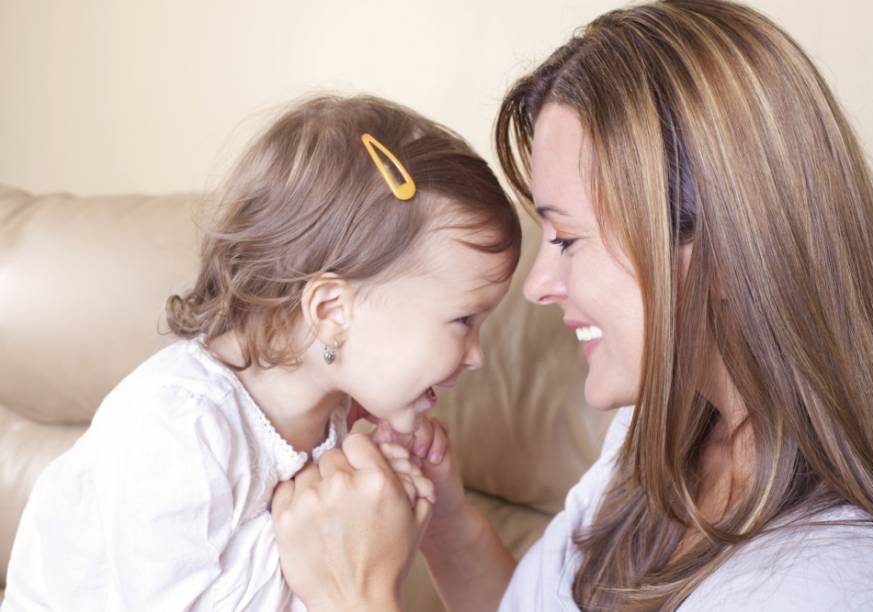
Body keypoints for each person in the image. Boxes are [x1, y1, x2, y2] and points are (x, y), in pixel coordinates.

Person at [269, 1, 873, 610]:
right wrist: (444, 518)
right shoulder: (653, 431)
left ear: (722, 249)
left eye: (568, 239)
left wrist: (351, 593)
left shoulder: (835, 585)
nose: (537, 284)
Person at [1, 95, 521, 611]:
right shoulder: (177, 427)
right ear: (332, 311)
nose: (477, 355)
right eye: (463, 321)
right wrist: (352, 531)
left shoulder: (331, 417)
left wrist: (393, 507)